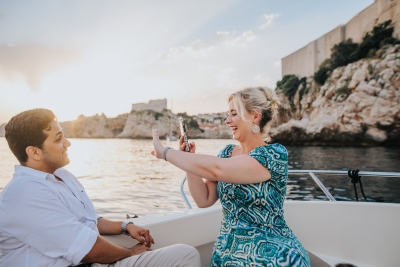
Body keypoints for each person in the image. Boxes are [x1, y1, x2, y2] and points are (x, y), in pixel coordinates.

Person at [0, 108, 201, 267]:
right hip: (85, 261)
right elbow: (87, 248)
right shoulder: (24, 193)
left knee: (183, 254)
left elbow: (88, 219)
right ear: (34, 152)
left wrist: (125, 226)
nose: (68, 143)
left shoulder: (62, 176)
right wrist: (130, 253)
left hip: (91, 262)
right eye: (59, 139)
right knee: (185, 256)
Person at [151, 87, 310, 266]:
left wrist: (165, 152)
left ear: (255, 116)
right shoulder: (226, 153)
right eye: (228, 114)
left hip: (273, 250)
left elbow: (216, 170)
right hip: (228, 250)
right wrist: (190, 159)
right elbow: (204, 199)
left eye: (234, 114)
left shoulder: (274, 155)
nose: (227, 120)